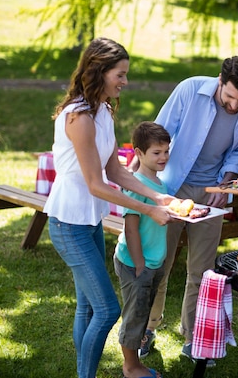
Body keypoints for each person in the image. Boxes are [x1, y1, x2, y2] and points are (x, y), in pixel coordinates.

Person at [43, 37, 174, 378]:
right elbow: (96, 184)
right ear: (99, 71)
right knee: (106, 308)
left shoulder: (102, 110)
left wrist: (157, 196)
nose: (125, 81)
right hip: (67, 224)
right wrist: (148, 210)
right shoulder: (79, 117)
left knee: (87, 307)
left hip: (89, 222)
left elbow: (115, 170)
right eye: (120, 74)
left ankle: (81, 370)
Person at [139, 56, 238, 366]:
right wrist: (148, 186)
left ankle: (193, 338)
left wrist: (225, 183)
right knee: (159, 264)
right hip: (172, 188)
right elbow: (158, 134)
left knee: (203, 271)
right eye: (230, 97)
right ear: (220, 82)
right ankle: (146, 329)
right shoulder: (189, 90)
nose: (235, 106)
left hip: (211, 194)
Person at [113, 122, 172, 378]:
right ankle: (130, 367)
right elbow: (131, 227)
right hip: (137, 263)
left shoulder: (159, 184)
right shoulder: (136, 184)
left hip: (153, 261)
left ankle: (136, 362)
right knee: (135, 315)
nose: (163, 157)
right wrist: (139, 263)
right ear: (139, 153)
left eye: (166, 151)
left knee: (143, 312)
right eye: (156, 153)